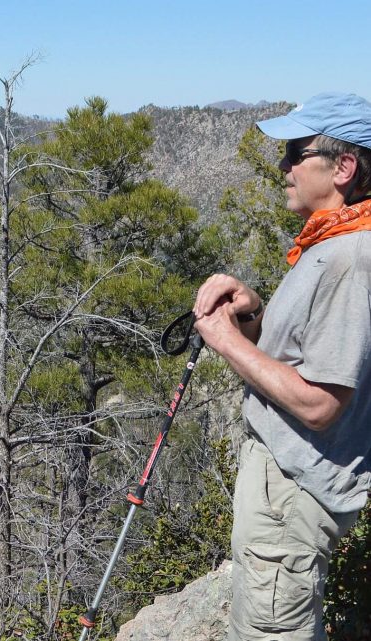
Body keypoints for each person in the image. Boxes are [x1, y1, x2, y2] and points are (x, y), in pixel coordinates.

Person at [193, 92, 371, 640]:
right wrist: (252, 314)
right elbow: (306, 354)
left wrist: (226, 341)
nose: (283, 166)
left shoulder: (349, 257)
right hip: (284, 482)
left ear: (343, 167)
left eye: (297, 151)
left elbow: (320, 403)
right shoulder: (329, 242)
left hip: (293, 491)